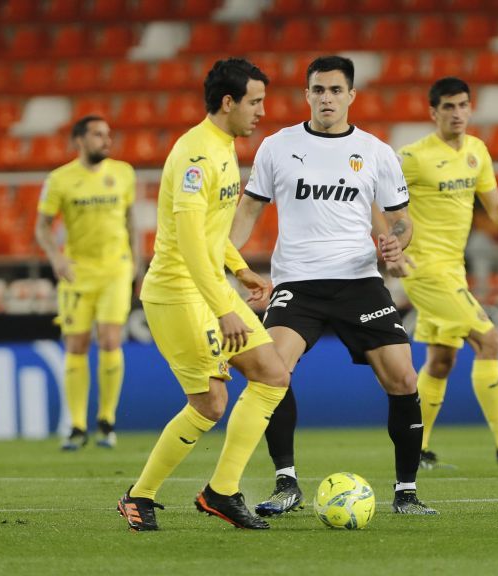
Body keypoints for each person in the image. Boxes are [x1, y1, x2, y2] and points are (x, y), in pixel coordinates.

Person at [230, 55, 434, 517]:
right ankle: (286, 482)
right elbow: (248, 210)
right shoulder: (277, 147)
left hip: (359, 280)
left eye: (335, 90)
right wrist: (226, 260)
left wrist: (395, 246)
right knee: (273, 371)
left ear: (351, 96)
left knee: (403, 376)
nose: (327, 98)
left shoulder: (377, 151)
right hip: (297, 282)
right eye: (318, 90)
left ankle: (406, 492)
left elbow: (401, 222)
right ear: (306, 95)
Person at [116, 58, 290, 531]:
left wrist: (240, 268)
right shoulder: (197, 153)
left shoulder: (224, 146)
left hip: (211, 282)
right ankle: (139, 496)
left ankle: (221, 491)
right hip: (178, 291)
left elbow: (211, 234)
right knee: (210, 403)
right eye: (254, 102)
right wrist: (222, 307)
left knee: (272, 375)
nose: (261, 112)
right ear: (228, 102)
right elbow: (189, 240)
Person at [394, 77, 498, 470]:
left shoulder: (477, 151)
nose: (457, 113)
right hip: (425, 269)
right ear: (433, 113)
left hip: (453, 269)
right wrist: (389, 242)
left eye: (463, 105)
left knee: (442, 360)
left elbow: (495, 207)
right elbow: (377, 199)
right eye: (448, 106)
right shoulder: (412, 157)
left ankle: (419, 445)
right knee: (490, 341)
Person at [36, 115, 136, 450]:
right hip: (77, 273)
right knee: (76, 344)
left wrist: (138, 264)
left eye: (108, 134)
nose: (106, 140)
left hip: (115, 270)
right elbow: (42, 226)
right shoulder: (60, 179)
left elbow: (131, 220)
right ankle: (77, 425)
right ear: (79, 140)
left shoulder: (123, 173)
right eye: (98, 135)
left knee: (110, 339)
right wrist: (56, 258)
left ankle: (106, 421)